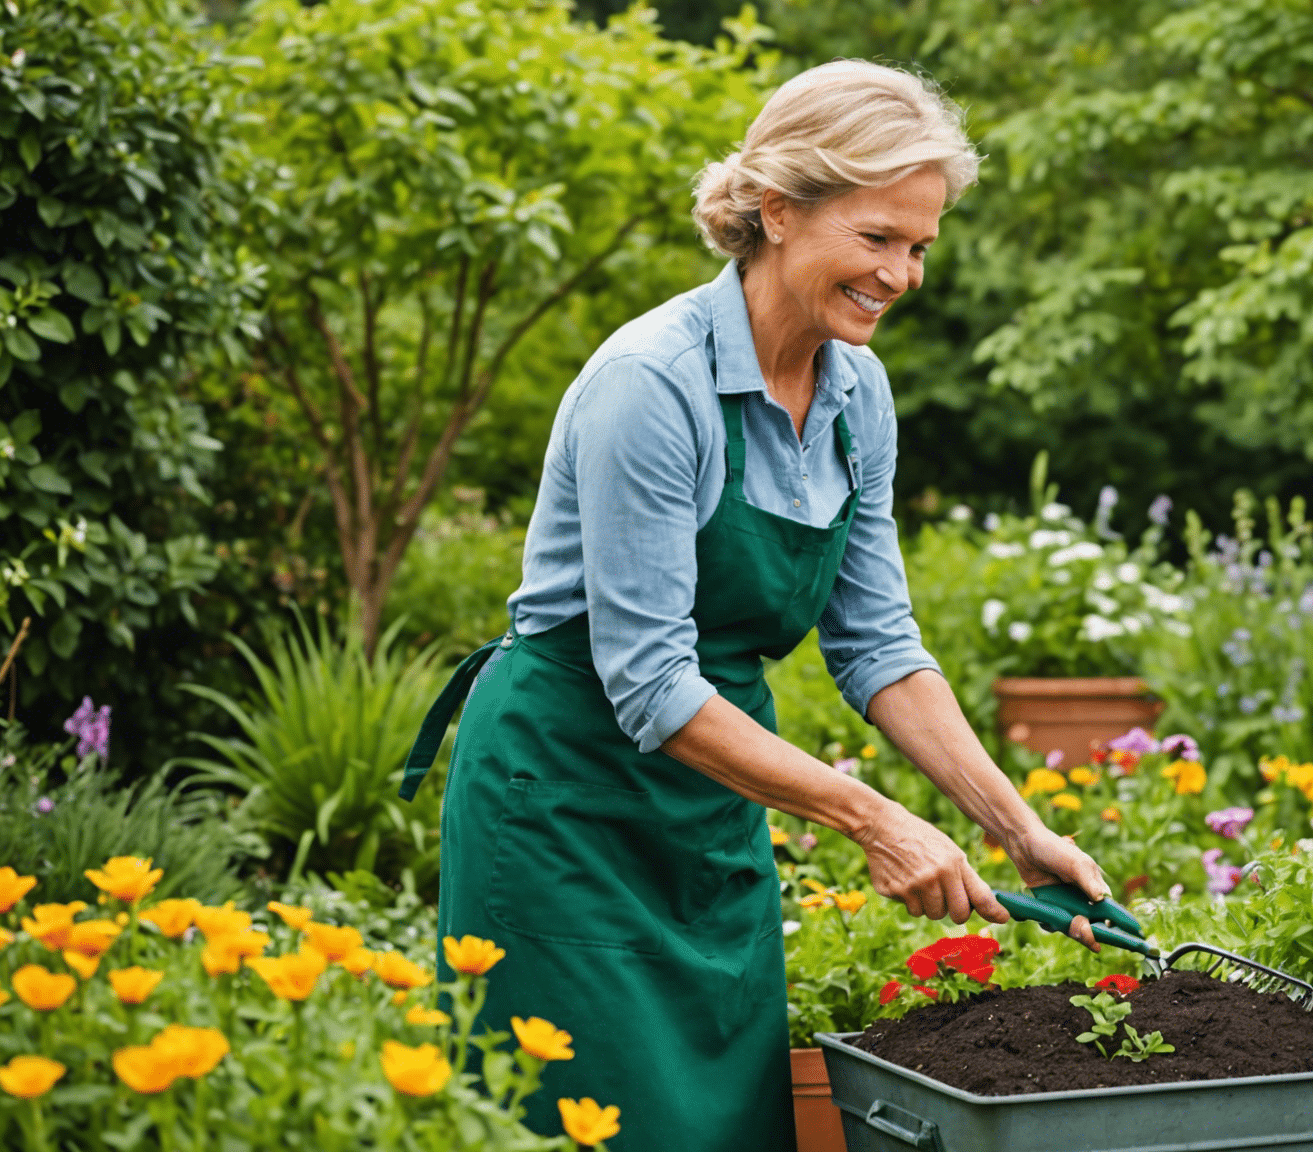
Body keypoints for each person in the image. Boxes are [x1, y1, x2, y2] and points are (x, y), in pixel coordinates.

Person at [400, 60, 1111, 1151]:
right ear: (778, 209)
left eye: (921, 245)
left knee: (724, 1126)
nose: (905, 274)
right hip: (562, 802)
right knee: (578, 1126)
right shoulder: (653, 383)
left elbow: (878, 646)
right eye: (878, 237)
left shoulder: (855, 394)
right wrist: (873, 820)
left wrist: (1015, 827)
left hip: (709, 803)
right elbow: (646, 682)